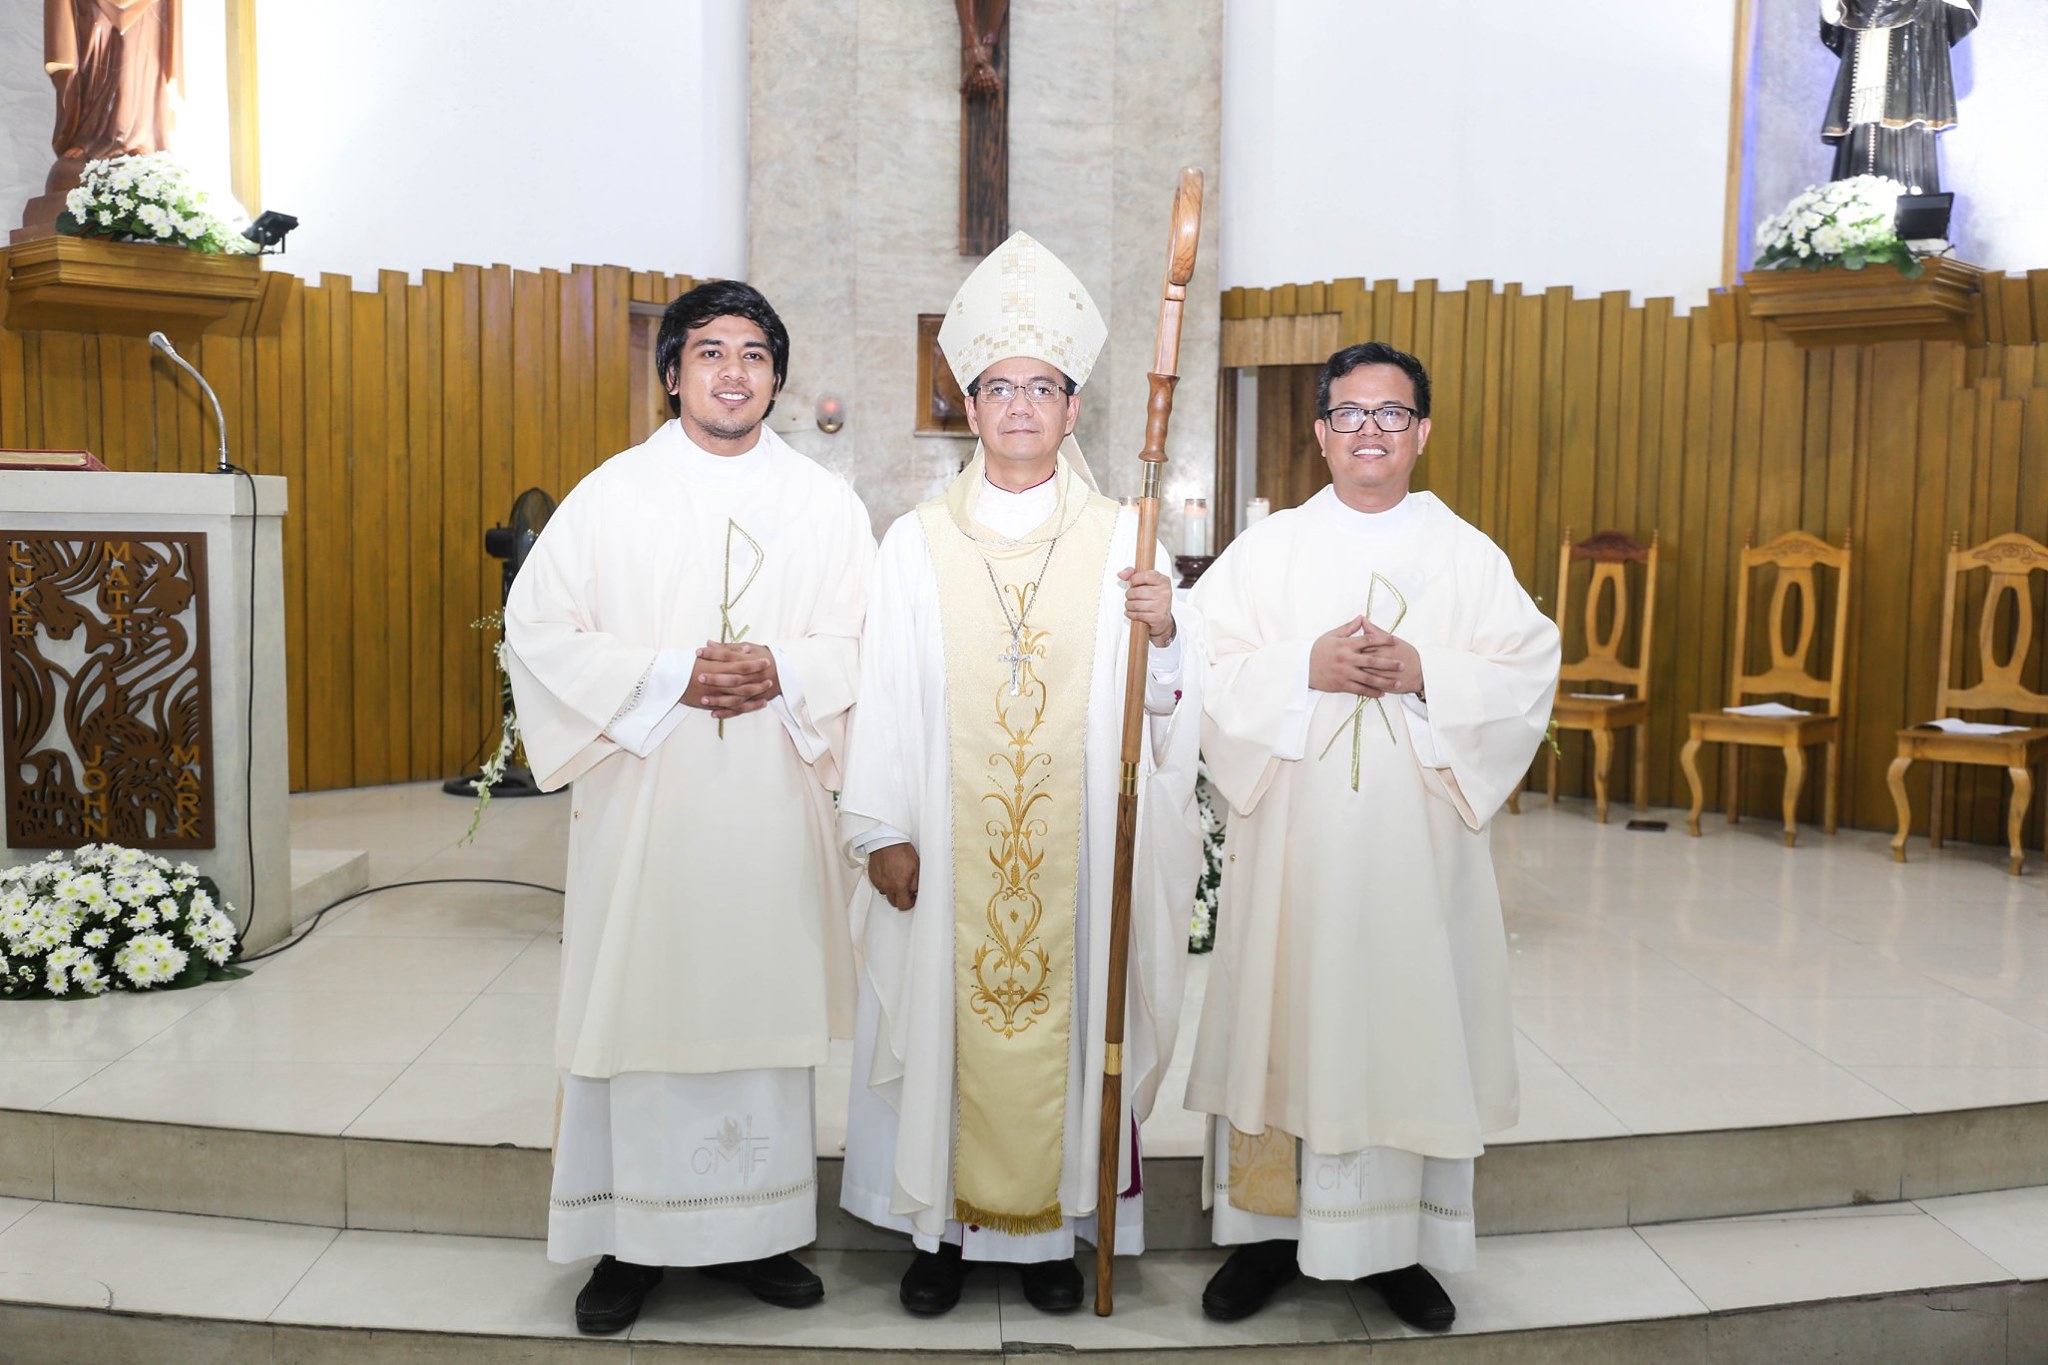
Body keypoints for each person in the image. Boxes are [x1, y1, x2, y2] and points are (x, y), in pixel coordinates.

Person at [837, 231, 1204, 1317]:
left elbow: (1165, 706)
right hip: (947, 849)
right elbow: (886, 693)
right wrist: (880, 830)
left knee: (1069, 1011)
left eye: (1041, 386)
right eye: (998, 386)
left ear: (1071, 408)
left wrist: (1166, 630)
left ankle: (1049, 1238)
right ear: (970, 403)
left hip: (1077, 850)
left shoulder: (1119, 539)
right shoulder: (913, 542)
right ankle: (942, 1234)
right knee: (944, 1020)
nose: (1019, 406)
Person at [503, 280, 875, 1335]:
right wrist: (671, 674)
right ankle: (628, 1243)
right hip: (648, 798)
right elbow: (540, 630)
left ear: (776, 378)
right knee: (641, 1004)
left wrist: (782, 670)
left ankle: (757, 1232)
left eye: (753, 354)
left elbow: (867, 641)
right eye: (709, 352)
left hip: (768, 794)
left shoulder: (823, 503)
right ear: (671, 373)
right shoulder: (612, 495)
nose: (731, 373)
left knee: (756, 1004)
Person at [1184, 342, 1559, 1331]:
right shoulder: (1267, 552)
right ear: (1317, 435)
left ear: (1422, 433)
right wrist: (1300, 667)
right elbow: (1204, 668)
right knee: (1284, 1010)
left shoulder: (1466, 555)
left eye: (1390, 416)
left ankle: (1397, 1246)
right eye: (1348, 415)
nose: (1368, 434)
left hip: (1413, 851)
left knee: (1401, 1015)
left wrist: (1427, 672)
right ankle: (1264, 1236)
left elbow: (1527, 668)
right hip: (1291, 856)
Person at [1821, 0, 1981, 193]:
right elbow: (1833, 16)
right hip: (1866, 59)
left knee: (1906, 135)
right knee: (1862, 132)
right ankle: (1853, 206)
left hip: (1910, 62)